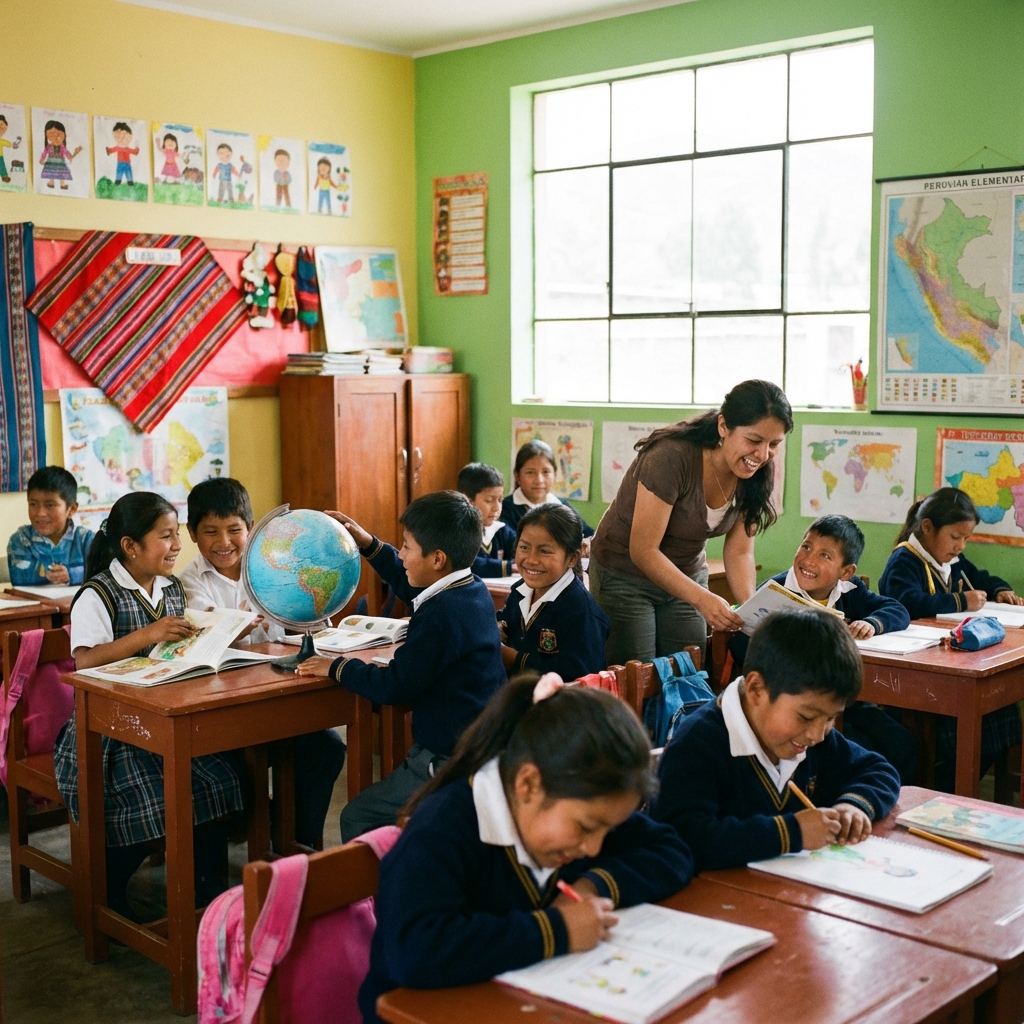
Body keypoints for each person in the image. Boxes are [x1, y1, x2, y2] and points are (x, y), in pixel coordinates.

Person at [359, 673, 694, 1024]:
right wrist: (556, 930)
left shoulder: (580, 804)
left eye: (606, 830)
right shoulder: (443, 830)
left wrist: (590, 885)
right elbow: (414, 952)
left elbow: (673, 850)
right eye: (586, 828)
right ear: (528, 784)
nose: (594, 848)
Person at [52, 493, 242, 920]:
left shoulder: (171, 588)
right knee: (150, 799)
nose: (177, 545)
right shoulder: (98, 593)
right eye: (166, 536)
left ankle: (207, 899)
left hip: (164, 721)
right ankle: (105, 893)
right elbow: (83, 660)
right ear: (130, 546)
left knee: (218, 781)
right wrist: (148, 634)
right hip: (106, 734)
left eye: (177, 535)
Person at [296, 490, 506, 840]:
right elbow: (409, 582)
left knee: (358, 818)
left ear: (437, 559)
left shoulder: (441, 613)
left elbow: (396, 685)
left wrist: (337, 667)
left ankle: (386, 893)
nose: (402, 555)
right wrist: (369, 545)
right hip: (480, 746)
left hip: (450, 759)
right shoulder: (470, 589)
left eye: (407, 546)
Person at [650, 609, 901, 872]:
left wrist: (853, 805)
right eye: (806, 717)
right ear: (756, 689)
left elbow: (878, 771)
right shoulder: (699, 744)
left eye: (830, 719)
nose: (817, 734)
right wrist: (792, 833)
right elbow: (684, 838)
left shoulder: (808, 738)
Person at [179, 477, 345, 848]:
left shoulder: (273, 566)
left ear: (251, 528)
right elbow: (209, 633)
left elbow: (303, 623)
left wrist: (312, 610)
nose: (224, 543)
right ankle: (256, 837)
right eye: (210, 532)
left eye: (234, 530)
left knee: (327, 749)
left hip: (274, 697)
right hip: (223, 710)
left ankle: (300, 845)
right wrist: (235, 625)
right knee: (233, 773)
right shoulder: (190, 582)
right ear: (191, 533)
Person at [590, 380, 792, 665]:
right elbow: (643, 550)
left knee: (688, 673)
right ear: (724, 426)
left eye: (774, 444)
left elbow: (740, 552)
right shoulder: (670, 457)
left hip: (686, 576)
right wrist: (702, 599)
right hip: (625, 575)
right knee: (637, 676)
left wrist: (751, 614)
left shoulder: (758, 470)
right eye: (754, 440)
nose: (763, 455)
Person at [727, 515, 917, 784]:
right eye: (806, 547)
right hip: (796, 703)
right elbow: (740, 643)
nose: (809, 560)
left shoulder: (851, 591)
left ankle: (889, 814)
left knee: (902, 742)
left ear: (845, 572)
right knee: (860, 749)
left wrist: (872, 623)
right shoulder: (775, 593)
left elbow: (897, 609)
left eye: (825, 555)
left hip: (841, 704)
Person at [879, 487, 1023, 790]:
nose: (960, 546)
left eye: (966, 538)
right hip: (917, 675)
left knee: (1000, 712)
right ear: (928, 528)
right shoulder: (905, 560)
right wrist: (961, 601)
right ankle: (942, 789)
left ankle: (950, 787)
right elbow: (908, 604)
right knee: (975, 724)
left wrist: (1000, 590)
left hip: (951, 663)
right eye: (955, 537)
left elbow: (980, 577)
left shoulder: (950, 560)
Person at [500, 503, 609, 680]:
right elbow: (509, 618)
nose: (531, 559)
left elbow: (580, 677)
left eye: (544, 551)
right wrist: (500, 626)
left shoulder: (581, 613)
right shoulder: (520, 591)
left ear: (573, 558)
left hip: (558, 705)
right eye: (524, 547)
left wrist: (514, 659)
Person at [7, 465, 94, 586]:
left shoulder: (86, 539)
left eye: (50, 505)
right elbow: (20, 578)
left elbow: (104, 573)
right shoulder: (21, 539)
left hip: (77, 604)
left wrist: (72, 574)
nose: (40, 513)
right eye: (33, 504)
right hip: (35, 604)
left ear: (71, 509)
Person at [500, 440, 594, 540]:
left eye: (545, 472)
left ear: (555, 475)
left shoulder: (562, 506)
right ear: (517, 476)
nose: (539, 480)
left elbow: (590, 535)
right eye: (530, 473)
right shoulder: (505, 509)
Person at [457, 462, 517, 578]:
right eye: (489, 500)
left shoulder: (501, 530)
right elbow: (470, 564)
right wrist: (508, 567)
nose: (497, 508)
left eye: (500, 500)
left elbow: (520, 548)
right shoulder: (458, 531)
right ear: (467, 500)